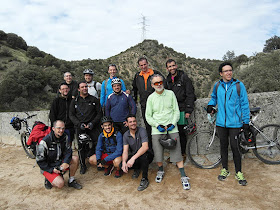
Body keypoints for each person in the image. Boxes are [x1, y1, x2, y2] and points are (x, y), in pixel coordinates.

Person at [207, 61, 250, 186]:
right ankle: (225, 169)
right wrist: (210, 104)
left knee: (236, 148)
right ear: (221, 73)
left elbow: (244, 104)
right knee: (223, 146)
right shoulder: (217, 85)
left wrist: (245, 122)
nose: (229, 72)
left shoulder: (238, 85)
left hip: (235, 123)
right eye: (226, 71)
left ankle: (239, 172)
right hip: (221, 123)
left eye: (230, 70)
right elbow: (214, 97)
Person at [145, 74, 190, 190]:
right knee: (158, 153)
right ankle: (160, 170)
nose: (159, 84)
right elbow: (148, 116)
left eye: (160, 82)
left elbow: (176, 111)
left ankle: (183, 175)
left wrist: (173, 123)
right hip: (157, 129)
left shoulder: (170, 94)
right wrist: (156, 125)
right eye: (156, 83)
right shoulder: (150, 98)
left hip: (172, 127)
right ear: (152, 85)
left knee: (177, 152)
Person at [164, 59, 196, 161]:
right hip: (171, 111)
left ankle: (182, 154)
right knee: (172, 133)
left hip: (182, 109)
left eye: (173, 65)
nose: (172, 68)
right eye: (170, 66)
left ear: (176, 66)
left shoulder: (184, 77)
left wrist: (188, 110)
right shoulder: (167, 80)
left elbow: (190, 94)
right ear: (167, 68)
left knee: (181, 133)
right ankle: (174, 154)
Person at [36, 120, 82, 190]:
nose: (61, 130)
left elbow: (68, 151)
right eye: (59, 128)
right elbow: (39, 161)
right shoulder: (44, 142)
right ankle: (48, 179)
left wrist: (66, 162)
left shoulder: (65, 137)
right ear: (53, 128)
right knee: (60, 184)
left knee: (75, 158)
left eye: (63, 128)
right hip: (49, 166)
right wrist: (51, 169)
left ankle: (71, 180)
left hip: (59, 162)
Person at [69, 81, 102, 174]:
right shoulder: (74, 101)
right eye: (82, 87)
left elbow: (99, 113)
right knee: (81, 147)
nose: (85, 88)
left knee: (98, 143)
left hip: (93, 126)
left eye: (86, 86)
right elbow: (71, 115)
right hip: (80, 127)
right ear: (79, 89)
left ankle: (98, 161)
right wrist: (79, 124)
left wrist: (92, 123)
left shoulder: (94, 99)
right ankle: (83, 165)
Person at [132, 57, 164, 148]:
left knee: (159, 123)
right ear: (139, 66)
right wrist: (134, 100)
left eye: (144, 64)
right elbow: (134, 88)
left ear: (148, 64)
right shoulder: (137, 76)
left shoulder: (156, 73)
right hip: (144, 104)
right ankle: (151, 147)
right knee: (148, 125)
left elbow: (164, 84)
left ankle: (161, 145)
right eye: (141, 65)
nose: (143, 67)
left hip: (157, 103)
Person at [121, 114, 153, 191]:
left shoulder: (142, 130)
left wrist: (133, 158)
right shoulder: (126, 135)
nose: (133, 123)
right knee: (122, 164)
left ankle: (145, 179)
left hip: (147, 154)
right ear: (127, 123)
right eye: (130, 122)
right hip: (135, 155)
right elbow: (125, 151)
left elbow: (145, 147)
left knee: (143, 157)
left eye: (134, 121)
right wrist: (124, 162)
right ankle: (137, 168)